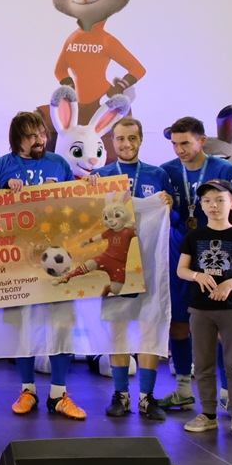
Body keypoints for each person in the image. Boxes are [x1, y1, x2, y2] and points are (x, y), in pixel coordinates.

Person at [0, 111, 84, 419]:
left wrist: (69, 190)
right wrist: (2, 194)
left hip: (57, 258)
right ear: (17, 139)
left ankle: (59, 394)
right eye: (32, 135)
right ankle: (28, 390)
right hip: (17, 259)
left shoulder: (59, 164)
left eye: (42, 134)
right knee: (21, 326)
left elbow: (79, 207)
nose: (40, 140)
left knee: (62, 324)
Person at [159, 117, 232, 412]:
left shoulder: (228, 172)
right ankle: (183, 389)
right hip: (180, 254)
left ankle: (226, 391)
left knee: (223, 325)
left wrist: (214, 229)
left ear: (202, 140)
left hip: (217, 255)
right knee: (178, 323)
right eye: (175, 144)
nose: (179, 150)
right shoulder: (166, 171)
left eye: (185, 143)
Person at [85, 117, 172, 420]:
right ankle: (121, 395)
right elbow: (88, 221)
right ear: (112, 142)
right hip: (117, 268)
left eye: (132, 138)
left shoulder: (158, 175)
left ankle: (147, 397)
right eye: (120, 139)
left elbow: (169, 220)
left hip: (150, 264)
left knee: (151, 326)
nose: (126, 144)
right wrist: (88, 191)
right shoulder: (102, 176)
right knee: (117, 327)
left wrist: (167, 205)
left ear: (141, 139)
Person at [178, 179, 232, 440]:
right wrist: (197, 276)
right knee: (203, 364)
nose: (213, 206)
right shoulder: (194, 236)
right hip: (201, 310)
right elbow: (182, 269)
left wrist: (229, 284)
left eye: (219, 200)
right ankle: (208, 414)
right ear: (201, 205)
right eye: (207, 201)